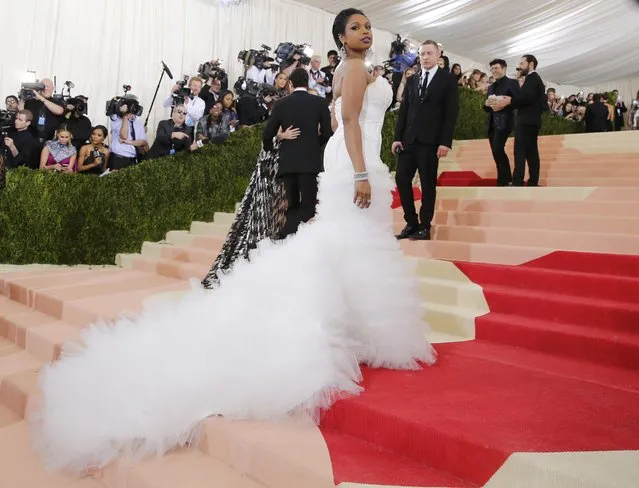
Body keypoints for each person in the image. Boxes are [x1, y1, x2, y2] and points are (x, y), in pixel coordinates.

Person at [32, 8, 435, 474]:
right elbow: (345, 120)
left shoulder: (349, 69)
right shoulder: (358, 69)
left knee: (346, 244)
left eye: (368, 26)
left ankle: (354, 327)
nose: (365, 32)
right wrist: (362, 173)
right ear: (340, 38)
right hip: (355, 162)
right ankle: (341, 327)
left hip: (346, 157)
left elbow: (337, 116)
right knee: (350, 242)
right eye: (356, 27)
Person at [392, 40, 459, 241]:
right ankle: (411, 222)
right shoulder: (413, 80)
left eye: (429, 53)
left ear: (438, 55)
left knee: (428, 184)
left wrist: (445, 141)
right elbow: (404, 111)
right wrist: (397, 137)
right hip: (409, 140)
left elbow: (451, 112)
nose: (425, 57)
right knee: (401, 179)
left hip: (431, 141)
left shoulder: (447, 80)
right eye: (422, 54)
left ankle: (425, 225)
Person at [263, 67, 333, 238]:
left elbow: (267, 135)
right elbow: (327, 133)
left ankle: (287, 236)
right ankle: (294, 237)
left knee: (292, 204)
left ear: (291, 83)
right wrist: (314, 144)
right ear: (307, 82)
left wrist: (274, 145)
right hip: (310, 161)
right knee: (309, 206)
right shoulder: (319, 103)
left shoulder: (281, 104)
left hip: (288, 161)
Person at [494, 54, 545, 187]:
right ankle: (533, 180)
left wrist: (510, 100)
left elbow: (526, 97)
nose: (520, 67)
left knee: (520, 150)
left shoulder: (532, 78)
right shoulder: (534, 79)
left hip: (527, 120)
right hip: (532, 120)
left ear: (531, 64)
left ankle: (518, 180)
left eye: (522, 64)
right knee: (531, 152)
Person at [483, 59, 520, 186]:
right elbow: (487, 108)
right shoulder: (491, 86)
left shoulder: (512, 83)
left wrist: (504, 103)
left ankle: (507, 178)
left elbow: (517, 101)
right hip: (492, 123)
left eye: (496, 68)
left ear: (503, 69)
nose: (494, 71)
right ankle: (502, 179)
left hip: (505, 121)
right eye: (492, 68)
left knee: (498, 148)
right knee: (495, 151)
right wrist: (486, 104)